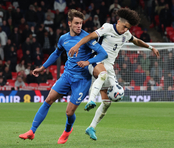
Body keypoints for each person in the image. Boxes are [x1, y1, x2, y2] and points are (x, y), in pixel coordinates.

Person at [68, 8, 160, 140]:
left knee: (107, 103)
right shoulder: (107, 28)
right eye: (124, 27)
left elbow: (136, 41)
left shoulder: (126, 34)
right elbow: (89, 36)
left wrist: (151, 48)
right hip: (95, 61)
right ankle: (91, 100)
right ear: (118, 22)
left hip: (109, 67)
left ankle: (91, 127)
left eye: (128, 28)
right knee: (102, 74)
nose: (125, 30)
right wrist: (77, 46)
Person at [19, 9, 107, 144]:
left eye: (81, 23)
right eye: (76, 23)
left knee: (69, 112)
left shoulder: (86, 38)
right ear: (69, 23)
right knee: (48, 100)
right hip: (67, 76)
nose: (79, 26)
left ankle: (67, 130)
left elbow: (103, 54)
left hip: (82, 80)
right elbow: (56, 53)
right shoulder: (63, 39)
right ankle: (32, 131)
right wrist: (42, 68)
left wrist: (88, 62)